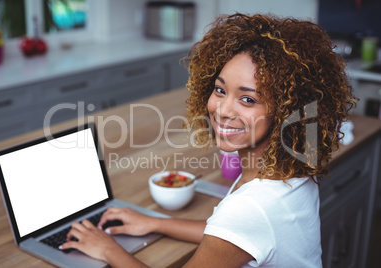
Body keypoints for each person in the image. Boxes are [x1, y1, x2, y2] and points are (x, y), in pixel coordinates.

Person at [60, 13, 357, 267]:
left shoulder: (252, 207)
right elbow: (236, 236)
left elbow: (243, 224)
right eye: (220, 89)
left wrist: (109, 250)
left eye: (248, 99)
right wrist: (154, 223)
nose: (223, 110)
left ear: (287, 111)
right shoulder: (291, 170)